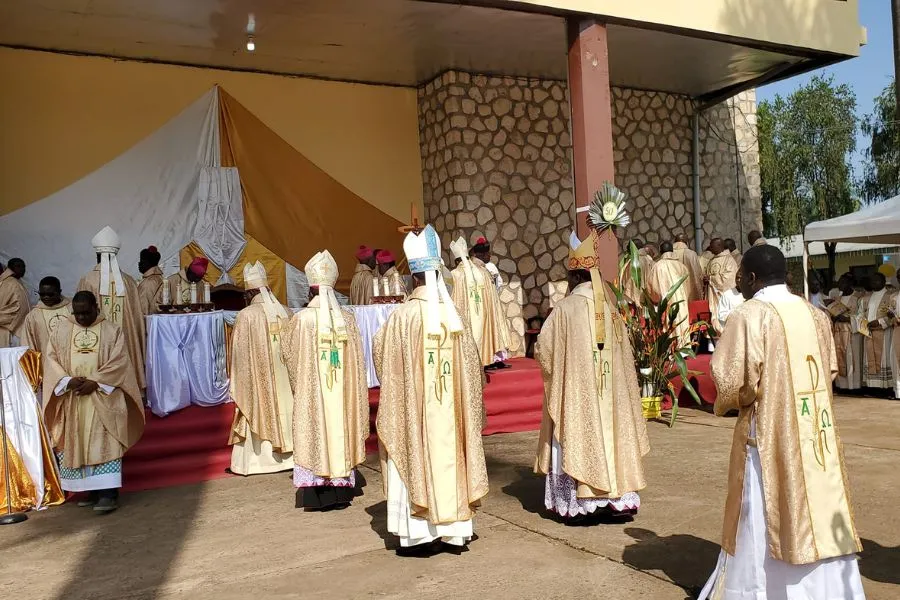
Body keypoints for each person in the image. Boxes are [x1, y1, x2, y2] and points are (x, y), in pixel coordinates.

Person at [698, 245, 865, 600]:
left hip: (769, 438)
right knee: (820, 504)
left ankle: (763, 591)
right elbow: (830, 369)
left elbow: (732, 382)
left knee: (762, 511)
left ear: (754, 278)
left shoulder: (749, 316)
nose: (738, 281)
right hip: (815, 435)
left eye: (741, 275)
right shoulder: (816, 314)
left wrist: (737, 400)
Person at [374, 225, 487, 552]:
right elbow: (472, 367)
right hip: (451, 415)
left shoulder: (402, 316)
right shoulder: (456, 317)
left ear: (413, 277)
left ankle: (420, 534)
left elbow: (383, 359)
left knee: (416, 448)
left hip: (418, 413)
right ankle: (455, 530)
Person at [535, 230, 648, 522]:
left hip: (579, 393)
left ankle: (581, 501)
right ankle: (616, 500)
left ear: (574, 277)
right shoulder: (611, 310)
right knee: (612, 431)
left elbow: (544, 351)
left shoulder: (565, 309)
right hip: (611, 394)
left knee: (578, 427)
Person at [281, 250, 369, 510]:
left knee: (315, 428)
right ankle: (341, 488)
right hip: (341, 394)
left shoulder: (301, 320)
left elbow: (290, 356)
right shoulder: (348, 320)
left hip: (314, 394)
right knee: (338, 427)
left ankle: (318, 492)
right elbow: (357, 364)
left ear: (311, 291)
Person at [43, 291, 145, 513]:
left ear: (96, 308)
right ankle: (90, 491)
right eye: (77, 314)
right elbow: (50, 359)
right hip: (73, 398)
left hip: (102, 398)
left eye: (86, 313)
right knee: (78, 442)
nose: (81, 318)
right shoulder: (60, 330)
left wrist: (97, 382)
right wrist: (67, 380)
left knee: (103, 443)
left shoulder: (111, 330)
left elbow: (120, 362)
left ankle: (108, 494)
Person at [228, 261, 294, 475]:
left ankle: (260, 461)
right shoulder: (287, 312)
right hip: (287, 383)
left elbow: (238, 358)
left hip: (261, 384)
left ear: (251, 292)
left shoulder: (246, 315)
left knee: (258, 403)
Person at [78, 227, 145, 389]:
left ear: (97, 255)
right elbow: (137, 317)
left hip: (100, 337)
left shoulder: (88, 280)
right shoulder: (128, 281)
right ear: (115, 256)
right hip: (126, 338)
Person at [451, 237, 511, 369]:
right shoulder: (478, 271)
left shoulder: (461, 273)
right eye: (487, 253)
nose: (489, 256)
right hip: (480, 308)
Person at [647, 241, 691, 348]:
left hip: (666, 300)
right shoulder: (681, 265)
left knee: (669, 322)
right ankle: (684, 346)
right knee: (681, 321)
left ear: (661, 251)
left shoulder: (658, 266)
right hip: (682, 300)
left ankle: (671, 347)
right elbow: (688, 286)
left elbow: (653, 287)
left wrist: (655, 299)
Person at [858, 272, 898, 393]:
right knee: (870, 359)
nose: (874, 283)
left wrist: (880, 322)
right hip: (869, 333)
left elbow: (893, 315)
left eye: (877, 280)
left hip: (884, 334)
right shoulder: (865, 298)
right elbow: (859, 314)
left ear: (883, 281)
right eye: (872, 281)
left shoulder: (890, 296)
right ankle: (873, 387)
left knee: (884, 359)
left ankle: (887, 388)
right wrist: (864, 323)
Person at [19, 276, 71, 353]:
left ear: (59, 292)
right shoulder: (33, 316)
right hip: (45, 360)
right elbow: (27, 343)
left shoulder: (71, 309)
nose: (46, 297)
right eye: (42, 294)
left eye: (50, 294)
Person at [829, 274, 863, 391]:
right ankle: (842, 385)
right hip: (839, 332)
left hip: (852, 333)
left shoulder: (858, 297)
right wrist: (833, 317)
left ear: (849, 283)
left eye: (842, 282)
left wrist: (848, 319)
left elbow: (862, 317)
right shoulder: (837, 299)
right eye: (839, 282)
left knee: (852, 357)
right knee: (841, 357)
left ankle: (854, 386)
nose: (839, 285)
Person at [704, 238, 739, 334]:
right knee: (712, 320)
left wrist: (711, 279)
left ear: (719, 246)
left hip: (722, 296)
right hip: (712, 295)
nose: (710, 247)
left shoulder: (729, 260)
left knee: (722, 320)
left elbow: (729, 278)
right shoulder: (711, 260)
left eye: (712, 245)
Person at [0, 258, 30, 347]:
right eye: (18, 266)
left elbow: (19, 308)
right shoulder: (10, 282)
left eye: (23, 266)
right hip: (11, 332)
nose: (22, 269)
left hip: (15, 332)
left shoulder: (13, 282)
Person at [671, 232, 703, 301]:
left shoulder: (669, 253)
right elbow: (697, 274)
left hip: (672, 289)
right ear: (685, 242)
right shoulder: (691, 254)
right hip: (688, 290)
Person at [137, 245, 165, 315]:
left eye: (141, 261)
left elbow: (143, 309)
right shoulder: (160, 278)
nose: (139, 264)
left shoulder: (148, 283)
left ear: (148, 263)